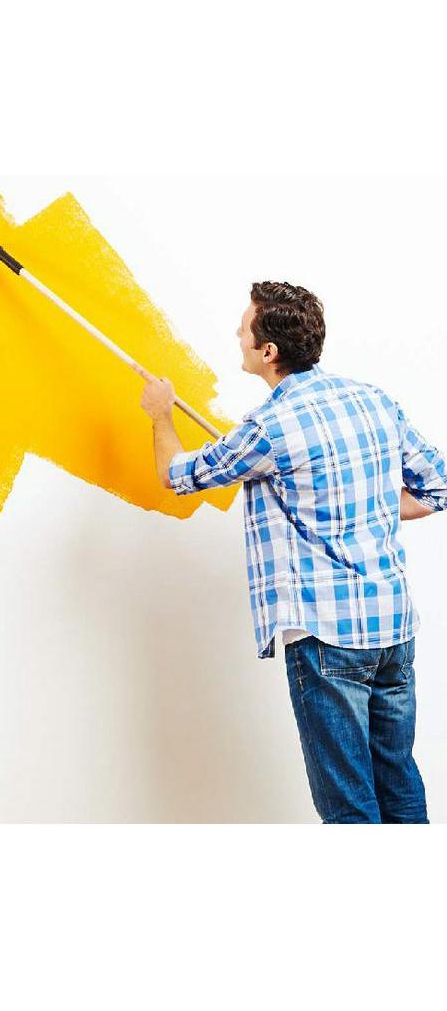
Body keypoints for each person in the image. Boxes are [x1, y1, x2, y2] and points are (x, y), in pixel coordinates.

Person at [139, 282, 446, 823]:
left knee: (349, 808)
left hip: (328, 638)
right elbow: (436, 485)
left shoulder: (270, 428)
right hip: (393, 627)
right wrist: (365, 505)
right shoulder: (373, 400)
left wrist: (160, 413)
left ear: (268, 351)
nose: (236, 334)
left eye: (244, 328)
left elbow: (176, 475)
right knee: (398, 782)